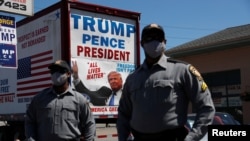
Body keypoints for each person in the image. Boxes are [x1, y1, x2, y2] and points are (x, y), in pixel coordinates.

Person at [116, 23, 215, 141]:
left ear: (165, 42)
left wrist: (192, 138)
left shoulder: (182, 70)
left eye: (158, 37)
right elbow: (123, 114)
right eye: (149, 37)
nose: (154, 41)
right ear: (142, 43)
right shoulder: (132, 78)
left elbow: (206, 108)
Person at [25, 60, 96, 141]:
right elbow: (29, 121)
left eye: (60, 71)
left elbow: (90, 123)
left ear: (68, 74)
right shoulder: (39, 98)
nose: (56, 74)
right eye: (53, 71)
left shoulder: (79, 99)